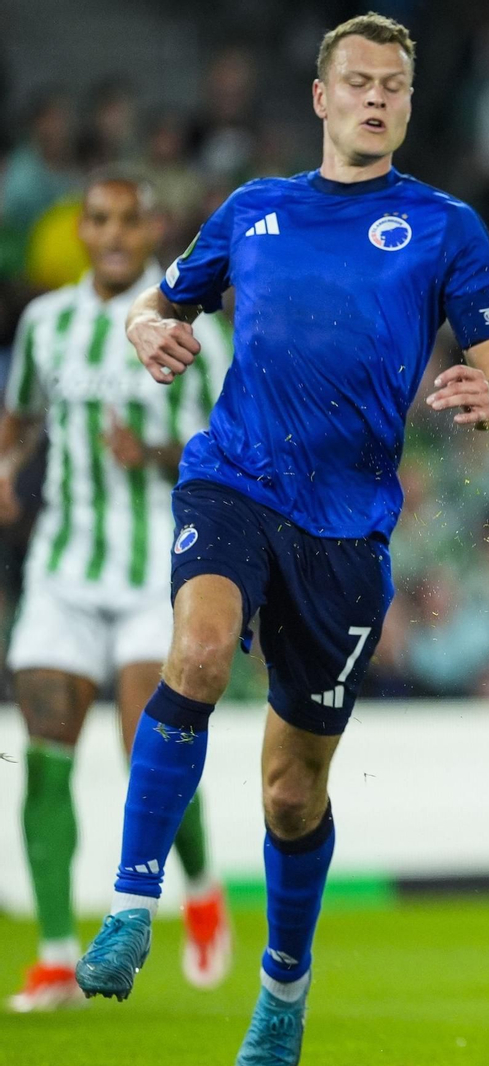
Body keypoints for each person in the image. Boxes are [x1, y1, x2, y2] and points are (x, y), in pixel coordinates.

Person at [72, 15, 489, 1063]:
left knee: (290, 792)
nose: (375, 97)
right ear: (321, 98)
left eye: (394, 86)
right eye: (357, 81)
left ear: (410, 105)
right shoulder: (253, 211)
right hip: (234, 479)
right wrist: (149, 324)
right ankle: (131, 903)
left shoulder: (444, 226)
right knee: (192, 650)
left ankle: (283, 990)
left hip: (347, 530)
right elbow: (158, 299)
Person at [2, 170, 233, 1012]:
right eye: (96, 220)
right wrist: (6, 464)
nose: (109, 235)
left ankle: (202, 886)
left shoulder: (190, 327)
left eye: (125, 222)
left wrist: (159, 456)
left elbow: (230, 445)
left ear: (149, 232)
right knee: (47, 757)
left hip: (154, 571)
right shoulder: (46, 323)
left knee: (147, 749)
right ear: (83, 230)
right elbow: (22, 412)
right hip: (62, 569)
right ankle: (58, 957)